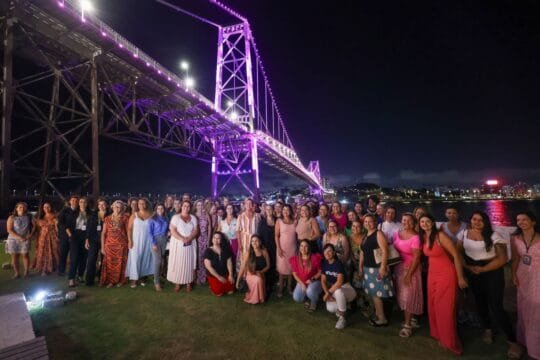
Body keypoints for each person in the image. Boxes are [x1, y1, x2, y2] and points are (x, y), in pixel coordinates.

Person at [457, 211, 521, 358]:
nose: (477, 222)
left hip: (492, 272)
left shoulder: (494, 236)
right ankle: (487, 328)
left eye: (481, 220)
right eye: (474, 219)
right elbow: (458, 252)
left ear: (486, 222)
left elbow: (503, 258)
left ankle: (512, 341)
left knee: (496, 306)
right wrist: (467, 267)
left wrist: (483, 269)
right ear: (470, 220)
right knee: (480, 303)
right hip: (473, 271)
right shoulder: (464, 233)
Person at [419, 213, 467, 355]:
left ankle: (449, 341)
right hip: (432, 274)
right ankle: (438, 334)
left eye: (427, 221)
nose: (425, 224)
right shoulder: (424, 237)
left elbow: (456, 256)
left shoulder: (441, 236)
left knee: (444, 308)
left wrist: (460, 278)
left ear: (433, 223)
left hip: (446, 274)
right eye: (422, 222)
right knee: (433, 305)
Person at [511, 211, 539, 360]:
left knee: (537, 307)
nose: (521, 222)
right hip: (523, 276)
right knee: (524, 307)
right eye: (518, 219)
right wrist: (513, 275)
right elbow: (515, 259)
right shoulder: (515, 238)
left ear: (533, 222)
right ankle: (525, 341)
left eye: (524, 219)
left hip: (538, 277)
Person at [360, 214, 394, 327]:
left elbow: (385, 251)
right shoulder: (366, 235)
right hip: (368, 268)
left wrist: (383, 267)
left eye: (370, 221)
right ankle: (379, 315)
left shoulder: (378, 233)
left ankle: (382, 318)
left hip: (376, 268)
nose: (368, 224)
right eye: (365, 222)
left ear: (375, 222)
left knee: (377, 294)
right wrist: (361, 267)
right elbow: (363, 252)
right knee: (374, 294)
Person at [393, 213, 423, 337]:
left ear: (413, 223)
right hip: (398, 268)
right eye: (404, 220)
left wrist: (409, 274)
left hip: (411, 269)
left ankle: (407, 325)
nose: (406, 222)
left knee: (409, 297)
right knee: (402, 295)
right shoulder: (397, 233)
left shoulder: (416, 238)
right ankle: (411, 319)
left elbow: (417, 258)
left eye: (409, 221)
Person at [321, 243, 357, 330]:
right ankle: (344, 307)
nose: (327, 253)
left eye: (329, 251)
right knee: (330, 308)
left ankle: (342, 318)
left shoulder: (338, 263)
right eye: (325, 252)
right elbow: (323, 280)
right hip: (335, 290)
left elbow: (340, 282)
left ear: (333, 253)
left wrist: (328, 293)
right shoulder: (325, 264)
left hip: (347, 289)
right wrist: (327, 293)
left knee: (338, 291)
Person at [167, 200, 199, 292]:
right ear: (181, 206)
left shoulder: (193, 218)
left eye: (188, 206)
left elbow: (196, 230)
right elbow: (172, 230)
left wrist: (189, 238)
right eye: (185, 206)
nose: (186, 208)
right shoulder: (175, 217)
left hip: (190, 243)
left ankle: (189, 284)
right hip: (178, 244)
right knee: (179, 263)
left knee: (189, 263)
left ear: (190, 208)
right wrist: (182, 239)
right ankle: (178, 284)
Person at [100, 200, 129, 288]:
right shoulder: (107, 218)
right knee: (110, 264)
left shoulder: (125, 218)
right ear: (112, 207)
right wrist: (102, 247)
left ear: (122, 208)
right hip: (109, 245)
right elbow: (103, 233)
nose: (117, 208)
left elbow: (128, 232)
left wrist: (129, 242)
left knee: (121, 263)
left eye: (119, 207)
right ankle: (111, 281)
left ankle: (121, 280)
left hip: (121, 245)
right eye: (115, 206)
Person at [126, 198, 154, 288]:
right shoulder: (134, 215)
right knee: (135, 259)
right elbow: (129, 229)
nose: (141, 205)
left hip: (147, 241)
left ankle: (142, 277)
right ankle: (134, 279)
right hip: (136, 241)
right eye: (139, 203)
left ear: (146, 204)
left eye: (143, 203)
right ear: (137, 205)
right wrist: (130, 240)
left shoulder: (151, 215)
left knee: (145, 258)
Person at [237, 235, 270, 304]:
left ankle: (261, 298)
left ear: (260, 242)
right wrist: (238, 281)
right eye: (252, 241)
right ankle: (253, 299)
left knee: (259, 278)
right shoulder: (248, 253)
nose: (254, 243)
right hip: (250, 274)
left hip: (260, 273)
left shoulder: (264, 252)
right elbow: (242, 267)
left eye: (256, 241)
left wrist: (260, 272)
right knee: (258, 279)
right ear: (251, 243)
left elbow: (268, 266)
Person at [290, 240, 322, 311]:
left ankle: (314, 302)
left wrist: (312, 279)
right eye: (301, 246)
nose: (303, 248)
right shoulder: (296, 259)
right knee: (297, 297)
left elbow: (320, 272)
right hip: (302, 282)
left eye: (306, 246)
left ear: (309, 248)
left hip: (314, 281)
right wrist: (301, 284)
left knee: (310, 291)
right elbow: (294, 274)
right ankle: (307, 298)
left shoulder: (314, 258)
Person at [6, 202, 33, 278]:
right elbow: (9, 230)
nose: (22, 208)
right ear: (16, 208)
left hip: (25, 239)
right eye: (20, 207)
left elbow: (35, 226)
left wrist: (30, 235)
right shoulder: (11, 217)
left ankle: (26, 272)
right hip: (13, 239)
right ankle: (17, 273)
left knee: (25, 255)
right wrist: (19, 237)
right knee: (15, 256)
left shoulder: (29, 217)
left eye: (24, 207)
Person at [85, 198, 108, 286]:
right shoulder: (93, 214)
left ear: (106, 205)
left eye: (103, 204)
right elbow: (89, 227)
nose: (101, 206)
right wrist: (87, 239)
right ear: (98, 206)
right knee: (91, 259)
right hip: (93, 239)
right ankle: (89, 280)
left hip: (106, 240)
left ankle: (101, 278)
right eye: (100, 204)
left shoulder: (109, 215)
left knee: (104, 260)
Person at [275, 204, 297, 297]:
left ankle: (289, 288)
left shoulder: (295, 222)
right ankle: (280, 290)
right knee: (282, 270)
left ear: (290, 211)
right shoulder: (279, 221)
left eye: (287, 209)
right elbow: (276, 236)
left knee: (291, 270)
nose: (285, 211)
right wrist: (279, 248)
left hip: (293, 248)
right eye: (284, 209)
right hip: (282, 248)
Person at [68, 197, 90, 287]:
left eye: (84, 202)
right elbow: (67, 226)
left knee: (84, 258)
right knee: (74, 258)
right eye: (80, 201)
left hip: (86, 236)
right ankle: (71, 279)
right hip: (75, 236)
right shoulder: (73, 213)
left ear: (86, 203)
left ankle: (80, 275)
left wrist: (88, 238)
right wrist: (71, 236)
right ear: (79, 203)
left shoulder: (90, 214)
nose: (82, 203)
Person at [204, 232, 235, 296]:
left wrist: (230, 275)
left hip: (225, 274)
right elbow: (208, 267)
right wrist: (218, 277)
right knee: (219, 294)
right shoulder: (208, 251)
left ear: (221, 240)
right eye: (214, 238)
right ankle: (212, 285)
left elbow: (229, 263)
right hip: (215, 275)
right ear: (212, 239)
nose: (216, 239)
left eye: (218, 238)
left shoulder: (225, 249)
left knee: (231, 291)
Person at [33, 202, 59, 276]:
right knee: (43, 253)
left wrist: (57, 234)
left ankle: (54, 268)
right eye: (45, 207)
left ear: (51, 208)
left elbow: (57, 228)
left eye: (48, 207)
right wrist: (37, 238)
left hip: (52, 237)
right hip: (43, 237)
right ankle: (44, 269)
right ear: (43, 208)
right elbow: (38, 229)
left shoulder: (55, 217)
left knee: (54, 252)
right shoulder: (41, 217)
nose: (46, 208)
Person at [236, 198, 261, 273]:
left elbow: (259, 230)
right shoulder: (240, 217)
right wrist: (240, 244)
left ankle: (253, 276)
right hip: (245, 241)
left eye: (250, 204)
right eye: (247, 204)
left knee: (254, 258)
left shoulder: (258, 216)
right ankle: (244, 277)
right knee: (244, 259)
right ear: (244, 205)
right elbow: (238, 231)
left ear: (253, 205)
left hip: (255, 242)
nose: (249, 205)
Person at [148, 203, 169, 291]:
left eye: (162, 208)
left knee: (162, 262)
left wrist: (168, 233)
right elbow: (149, 233)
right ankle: (156, 283)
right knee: (157, 262)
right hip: (155, 240)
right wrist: (153, 243)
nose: (160, 210)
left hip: (164, 240)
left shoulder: (165, 218)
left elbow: (166, 230)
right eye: (158, 208)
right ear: (156, 210)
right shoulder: (152, 219)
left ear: (164, 210)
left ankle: (158, 279)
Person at [257, 203, 277, 293]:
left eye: (270, 209)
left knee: (274, 263)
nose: (269, 211)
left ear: (273, 211)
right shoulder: (262, 222)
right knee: (267, 264)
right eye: (267, 209)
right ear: (265, 211)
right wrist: (261, 247)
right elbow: (259, 235)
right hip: (265, 246)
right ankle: (267, 283)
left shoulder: (277, 221)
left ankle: (273, 283)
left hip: (275, 246)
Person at [57, 195, 78, 275]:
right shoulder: (64, 211)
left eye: (76, 201)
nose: (74, 202)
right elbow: (61, 222)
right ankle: (61, 270)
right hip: (65, 236)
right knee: (63, 253)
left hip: (76, 236)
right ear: (70, 201)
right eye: (73, 200)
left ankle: (73, 271)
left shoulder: (79, 211)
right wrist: (68, 231)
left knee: (74, 255)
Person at [194, 199, 212, 285]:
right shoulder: (193, 215)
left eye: (201, 205)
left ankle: (204, 277)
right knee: (196, 258)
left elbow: (210, 228)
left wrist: (208, 240)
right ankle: (196, 278)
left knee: (203, 258)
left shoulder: (206, 214)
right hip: (195, 239)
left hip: (204, 238)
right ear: (196, 206)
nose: (200, 206)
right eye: (198, 205)